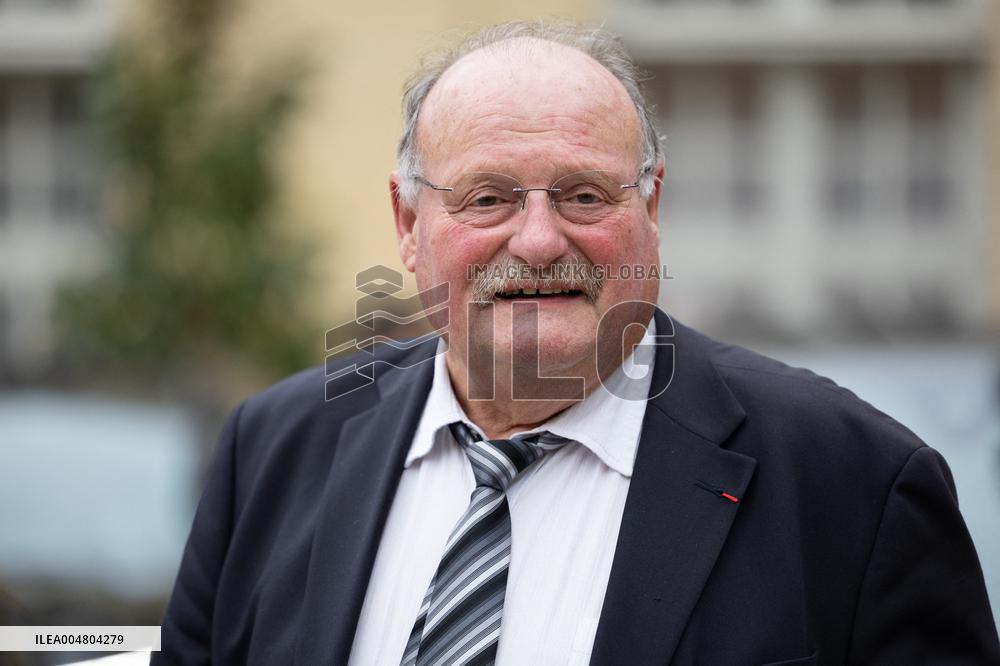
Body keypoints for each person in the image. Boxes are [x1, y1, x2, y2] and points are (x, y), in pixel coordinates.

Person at [152, 21, 1000, 666]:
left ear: (652, 211)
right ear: (409, 225)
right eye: (486, 198)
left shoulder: (856, 487)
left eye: (585, 195)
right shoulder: (271, 449)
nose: (537, 240)